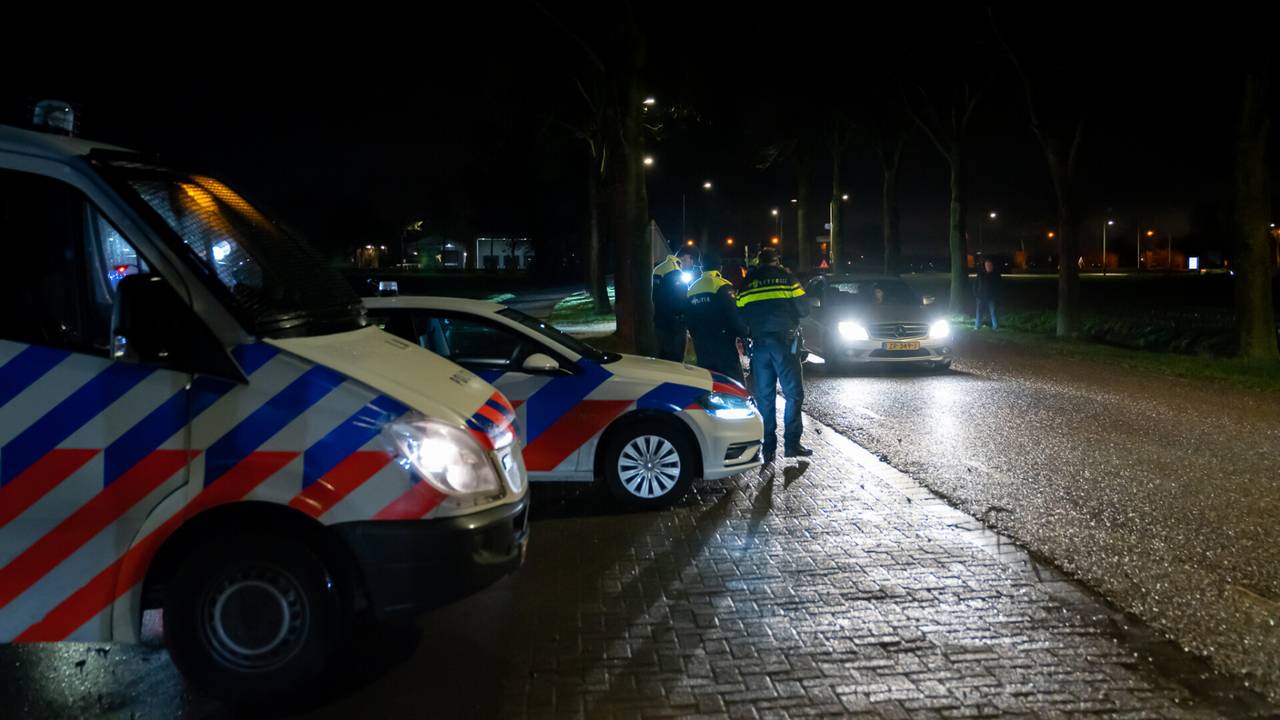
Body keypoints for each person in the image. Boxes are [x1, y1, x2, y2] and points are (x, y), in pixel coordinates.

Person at [737, 247, 810, 461]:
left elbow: (740, 310)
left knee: (765, 397)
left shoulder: (749, 281)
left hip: (759, 345)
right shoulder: (787, 278)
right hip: (784, 343)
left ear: (759, 262)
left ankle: (768, 447)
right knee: (793, 394)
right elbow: (805, 309)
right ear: (777, 260)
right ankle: (792, 445)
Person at [685, 262, 750, 384]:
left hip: (702, 346)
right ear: (720, 267)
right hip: (723, 345)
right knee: (734, 384)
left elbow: (688, 318)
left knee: (708, 383)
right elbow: (733, 315)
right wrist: (745, 332)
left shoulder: (692, 288)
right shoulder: (722, 285)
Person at [652, 246, 699, 361]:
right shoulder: (675, 272)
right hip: (674, 327)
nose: (692, 267)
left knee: (661, 361)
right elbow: (681, 301)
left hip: (658, 322)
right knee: (675, 364)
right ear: (686, 257)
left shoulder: (659, 268)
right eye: (692, 262)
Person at [974, 257, 1001, 330]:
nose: (988, 266)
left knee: (993, 312)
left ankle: (995, 327)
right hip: (981, 297)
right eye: (987, 265)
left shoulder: (996, 275)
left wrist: (996, 295)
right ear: (985, 266)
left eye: (989, 265)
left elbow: (999, 286)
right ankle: (977, 326)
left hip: (991, 297)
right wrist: (976, 294)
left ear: (992, 266)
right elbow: (975, 284)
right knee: (979, 312)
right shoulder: (980, 274)